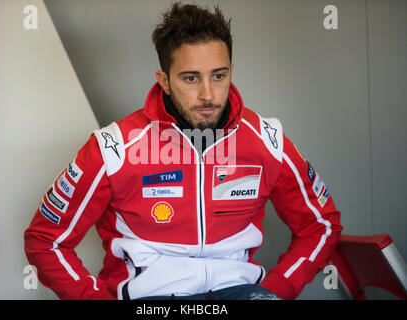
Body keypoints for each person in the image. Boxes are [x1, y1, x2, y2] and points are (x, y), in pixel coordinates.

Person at [24, 3, 342, 300]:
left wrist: (276, 290)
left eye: (219, 76)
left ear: (231, 69)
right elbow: (45, 240)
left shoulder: (267, 140)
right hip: (151, 297)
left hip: (240, 291)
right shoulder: (114, 147)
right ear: (163, 80)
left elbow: (322, 225)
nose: (208, 94)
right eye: (191, 78)